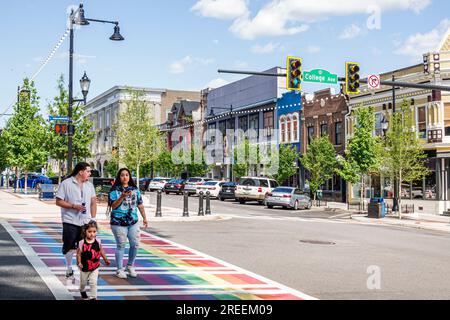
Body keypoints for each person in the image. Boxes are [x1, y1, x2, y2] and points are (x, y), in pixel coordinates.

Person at [56, 162, 97, 279]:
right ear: (81, 172)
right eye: (88, 171)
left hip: (85, 221)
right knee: (69, 246)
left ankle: (85, 271)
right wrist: (73, 206)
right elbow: (58, 201)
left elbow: (93, 202)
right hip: (70, 220)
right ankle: (69, 267)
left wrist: (93, 219)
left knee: (85, 247)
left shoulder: (89, 185)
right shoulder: (66, 183)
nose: (90, 173)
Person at [108, 168, 148, 279]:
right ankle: (119, 269)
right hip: (118, 222)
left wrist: (144, 218)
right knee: (121, 245)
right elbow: (113, 206)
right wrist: (122, 197)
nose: (125, 177)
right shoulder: (114, 190)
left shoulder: (135, 189)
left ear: (129, 177)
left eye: (127, 175)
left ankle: (130, 266)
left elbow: (140, 204)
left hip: (133, 221)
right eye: (122, 175)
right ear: (119, 177)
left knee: (135, 244)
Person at [77, 220, 110, 300]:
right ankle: (82, 290)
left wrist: (105, 259)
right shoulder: (82, 242)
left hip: (95, 266)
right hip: (84, 267)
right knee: (83, 282)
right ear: (85, 231)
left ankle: (93, 297)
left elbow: (101, 251)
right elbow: (78, 254)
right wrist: (79, 262)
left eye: (94, 231)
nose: (92, 234)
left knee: (93, 282)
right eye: (90, 231)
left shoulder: (98, 241)